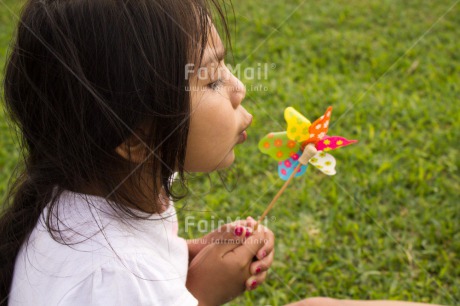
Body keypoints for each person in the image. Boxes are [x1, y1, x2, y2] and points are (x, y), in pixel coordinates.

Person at [0, 0, 441, 305]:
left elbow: (144, 258)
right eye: (211, 80)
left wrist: (191, 255)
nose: (239, 87)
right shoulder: (111, 279)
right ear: (134, 138)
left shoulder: (106, 188)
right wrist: (202, 293)